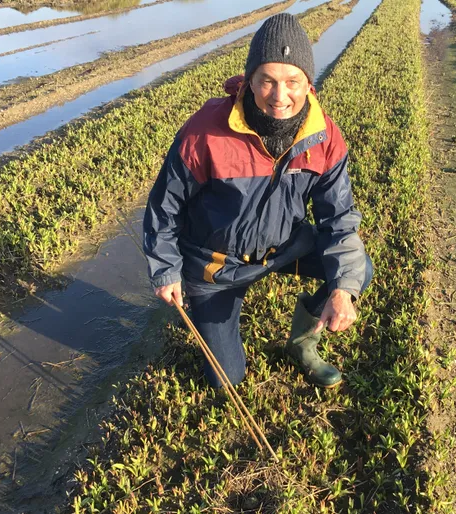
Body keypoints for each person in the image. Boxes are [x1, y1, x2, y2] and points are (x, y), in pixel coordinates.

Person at [143, 13, 372, 389]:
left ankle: (302, 343)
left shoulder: (323, 137)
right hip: (216, 266)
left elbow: (339, 218)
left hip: (282, 247)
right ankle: (211, 318)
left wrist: (342, 289)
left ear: (308, 83)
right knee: (226, 381)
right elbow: (164, 208)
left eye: (292, 81)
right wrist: (166, 270)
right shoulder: (206, 131)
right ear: (250, 80)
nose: (279, 96)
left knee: (358, 267)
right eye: (267, 80)